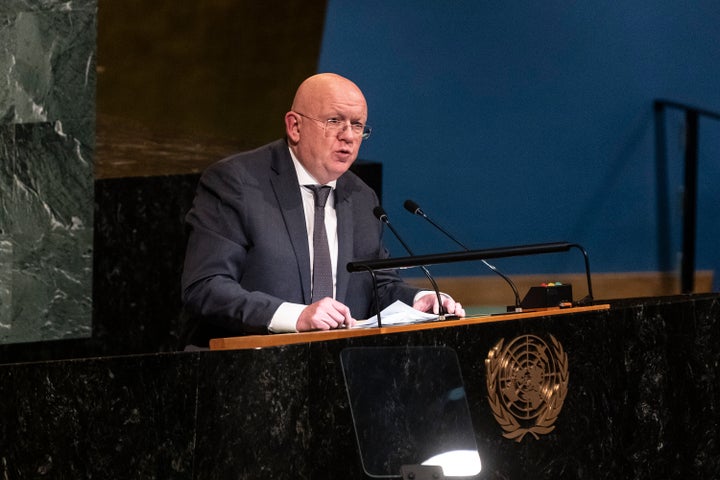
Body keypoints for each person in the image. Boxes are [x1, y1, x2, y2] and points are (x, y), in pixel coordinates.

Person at [180, 73, 464, 347]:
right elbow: (206, 286)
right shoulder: (237, 183)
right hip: (246, 366)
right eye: (334, 121)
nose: (348, 136)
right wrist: (296, 317)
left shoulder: (362, 197)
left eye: (357, 125)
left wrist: (417, 301)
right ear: (295, 127)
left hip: (334, 370)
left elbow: (377, 286)